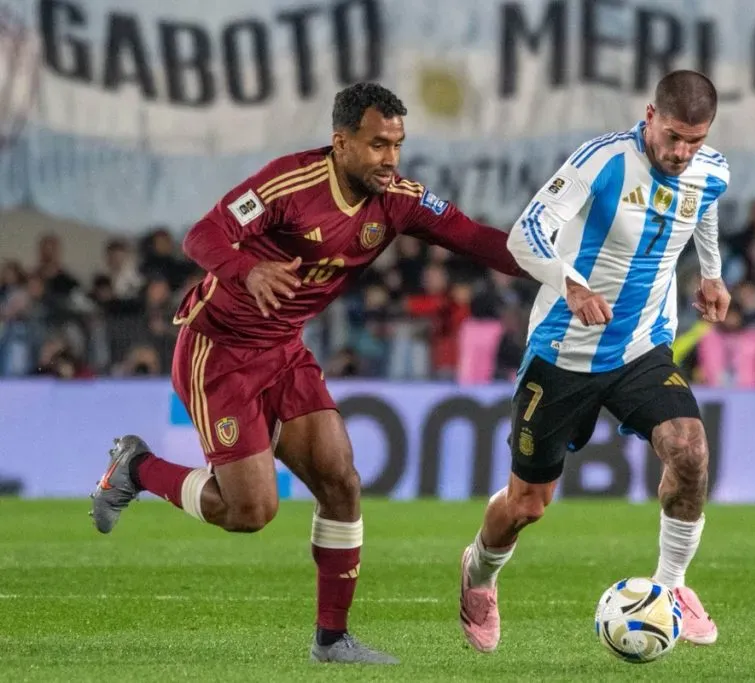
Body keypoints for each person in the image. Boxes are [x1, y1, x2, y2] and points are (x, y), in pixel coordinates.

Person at [89, 83, 522, 665]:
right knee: (250, 512)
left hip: (285, 350)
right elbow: (203, 235)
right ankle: (137, 468)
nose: (391, 159)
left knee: (340, 481)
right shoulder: (289, 185)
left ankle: (331, 639)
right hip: (219, 350)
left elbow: (475, 238)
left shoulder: (398, 199)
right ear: (341, 143)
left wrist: (561, 272)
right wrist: (248, 270)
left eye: (397, 144)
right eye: (377, 145)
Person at [458, 70, 731, 653]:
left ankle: (671, 586)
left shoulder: (711, 170)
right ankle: (478, 573)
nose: (682, 153)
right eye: (674, 137)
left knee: (689, 450)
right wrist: (572, 284)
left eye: (696, 141)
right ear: (650, 116)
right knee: (527, 505)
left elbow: (703, 207)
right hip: (564, 351)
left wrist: (711, 273)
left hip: (641, 347)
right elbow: (525, 234)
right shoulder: (602, 160)